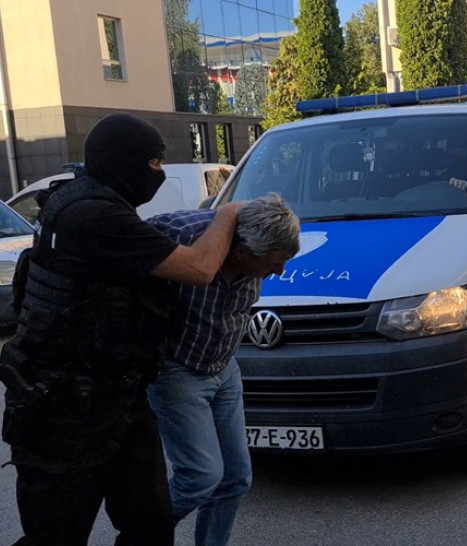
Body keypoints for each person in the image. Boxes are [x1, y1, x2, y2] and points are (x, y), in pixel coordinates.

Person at [0, 113, 244, 546]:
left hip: (119, 400)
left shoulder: (84, 200)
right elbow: (200, 268)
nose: (160, 172)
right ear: (123, 161)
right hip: (64, 412)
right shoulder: (93, 216)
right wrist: (226, 213)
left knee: (150, 525)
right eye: (154, 162)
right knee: (56, 535)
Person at [146, 193, 300, 546]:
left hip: (225, 367)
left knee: (235, 479)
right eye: (273, 265)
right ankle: (140, 535)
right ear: (243, 253)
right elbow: (123, 246)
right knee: (199, 478)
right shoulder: (181, 235)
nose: (279, 272)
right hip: (177, 371)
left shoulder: (258, 241)